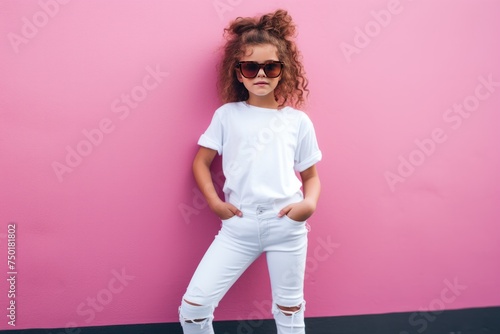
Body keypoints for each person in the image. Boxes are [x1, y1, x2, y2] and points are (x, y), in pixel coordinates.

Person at [179, 9, 322, 334]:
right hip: (238, 228)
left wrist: (308, 205)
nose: (261, 74)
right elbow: (201, 163)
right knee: (194, 307)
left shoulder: (297, 121)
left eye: (270, 66)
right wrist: (215, 203)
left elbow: (311, 177)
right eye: (250, 66)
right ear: (238, 73)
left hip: (286, 226)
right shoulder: (227, 116)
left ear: (283, 71)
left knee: (289, 310)